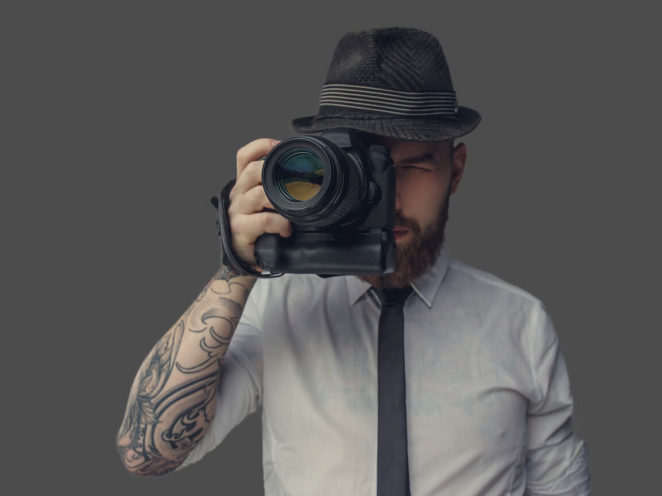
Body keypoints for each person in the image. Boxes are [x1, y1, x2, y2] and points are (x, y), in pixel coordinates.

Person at [117, 27, 591, 495]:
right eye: (368, 171)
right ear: (322, 169)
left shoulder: (522, 324)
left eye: (413, 167)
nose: (391, 198)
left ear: (456, 170)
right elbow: (147, 453)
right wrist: (236, 269)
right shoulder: (276, 306)